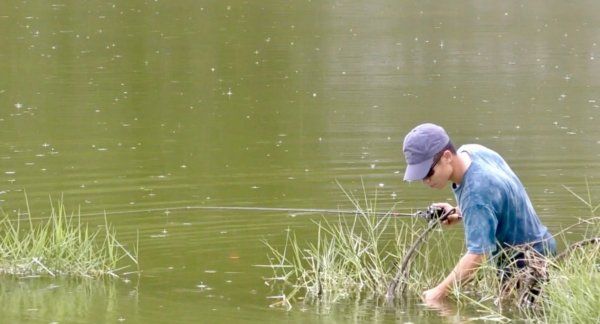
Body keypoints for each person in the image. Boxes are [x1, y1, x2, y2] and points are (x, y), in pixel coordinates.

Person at [402, 123, 556, 305]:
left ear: (447, 156)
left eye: (428, 172)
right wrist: (460, 212)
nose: (425, 180)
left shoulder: (476, 194)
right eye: (420, 175)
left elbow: (478, 254)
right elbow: (496, 202)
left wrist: (437, 293)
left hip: (525, 266)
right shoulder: (472, 152)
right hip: (543, 246)